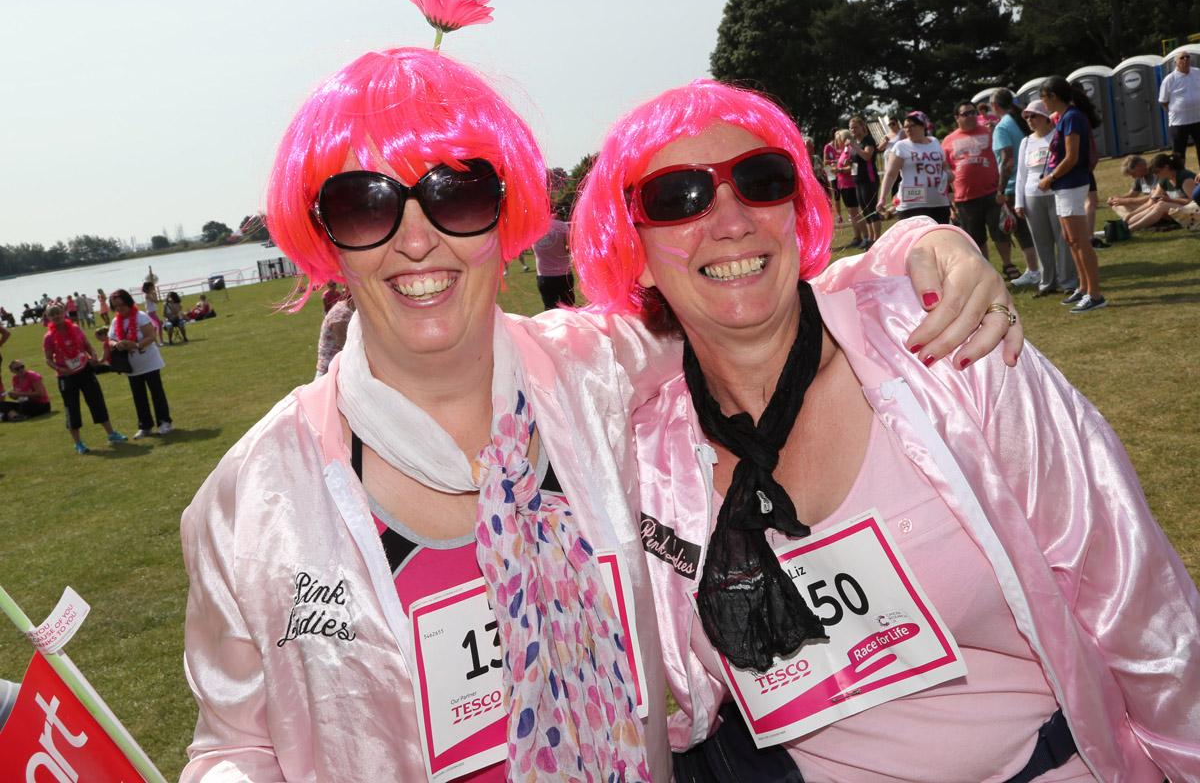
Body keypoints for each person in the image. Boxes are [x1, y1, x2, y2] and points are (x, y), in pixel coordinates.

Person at [180, 43, 1010, 783]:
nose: (417, 237)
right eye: (366, 205)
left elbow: (751, 293)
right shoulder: (251, 502)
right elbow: (236, 745)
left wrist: (918, 249)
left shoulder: (591, 368)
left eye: (456, 194)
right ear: (324, 235)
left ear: (501, 214)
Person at [572, 78, 1200, 783]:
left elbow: (1138, 602)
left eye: (761, 180)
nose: (731, 220)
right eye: (676, 196)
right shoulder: (644, 456)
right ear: (632, 243)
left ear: (796, 207)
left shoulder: (948, 349)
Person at [1038, 76, 1106, 313]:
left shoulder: (1073, 117)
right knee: (1071, 239)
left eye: (1043, 98)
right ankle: (1084, 287)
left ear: (1053, 96)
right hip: (1064, 186)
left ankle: (1095, 294)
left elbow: (1072, 157)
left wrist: (1050, 178)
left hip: (1070, 184)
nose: (1042, 103)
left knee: (1080, 240)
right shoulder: (1066, 117)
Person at [942, 101, 1021, 278]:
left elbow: (1003, 156)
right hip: (965, 198)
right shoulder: (948, 141)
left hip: (992, 192)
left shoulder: (989, 132)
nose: (971, 116)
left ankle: (1008, 264)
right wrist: (950, 199)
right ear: (957, 118)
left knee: (1000, 231)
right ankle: (986, 270)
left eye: (972, 112)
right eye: (965, 114)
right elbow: (945, 170)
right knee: (976, 237)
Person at [41, 304, 126, 453]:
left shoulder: (75, 328)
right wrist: (60, 369)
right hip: (66, 376)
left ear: (64, 313)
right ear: (48, 318)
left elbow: (87, 345)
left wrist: (93, 355)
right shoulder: (49, 337)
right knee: (72, 407)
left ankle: (111, 434)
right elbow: (48, 359)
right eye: (52, 314)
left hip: (84, 370)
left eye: (58, 313)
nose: (56, 316)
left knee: (96, 400)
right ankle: (79, 443)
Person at [1015, 99, 1078, 298]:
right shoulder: (1026, 142)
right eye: (1027, 117)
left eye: (1034, 116)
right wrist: (1019, 201)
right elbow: (1021, 174)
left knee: (1062, 239)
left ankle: (1068, 281)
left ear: (1045, 117)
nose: (1030, 120)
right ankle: (1047, 282)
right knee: (1041, 241)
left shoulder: (1057, 136)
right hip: (1032, 195)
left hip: (1056, 192)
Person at [990, 89, 1041, 287]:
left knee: (1021, 231)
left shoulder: (1002, 127)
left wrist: (1000, 189)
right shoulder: (1020, 121)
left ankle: (1033, 270)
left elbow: (1007, 160)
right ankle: (1040, 268)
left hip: (1014, 186)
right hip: (1032, 182)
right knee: (1034, 230)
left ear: (995, 106)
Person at [110, 289, 173, 437]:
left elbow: (151, 336)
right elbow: (110, 339)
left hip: (149, 363)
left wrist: (136, 345)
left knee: (157, 393)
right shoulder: (115, 321)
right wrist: (115, 345)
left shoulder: (140, 316)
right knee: (139, 397)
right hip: (132, 367)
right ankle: (145, 426)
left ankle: (164, 422)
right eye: (116, 306)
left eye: (121, 305)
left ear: (128, 302)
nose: (119, 309)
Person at [877, 110, 950, 224]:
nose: (908, 129)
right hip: (912, 206)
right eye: (905, 126)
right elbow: (890, 174)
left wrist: (949, 176)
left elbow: (945, 168)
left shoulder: (935, 142)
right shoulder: (901, 146)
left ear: (923, 126)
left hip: (939, 203)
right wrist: (882, 198)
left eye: (912, 126)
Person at [1124, 152, 1197, 232]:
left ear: (1166, 167)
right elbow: (1151, 202)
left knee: (1161, 205)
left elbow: (1194, 202)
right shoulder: (1164, 180)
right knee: (1156, 204)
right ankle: (1125, 225)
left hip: (1196, 212)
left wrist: (1170, 200)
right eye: (1154, 172)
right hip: (1182, 212)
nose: (1156, 175)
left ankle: (1130, 229)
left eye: (1157, 171)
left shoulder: (1185, 178)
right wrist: (1131, 215)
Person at [1158, 51, 1200, 170]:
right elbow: (1163, 100)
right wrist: (1177, 109)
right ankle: (1180, 178)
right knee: (1178, 154)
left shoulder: (1197, 73)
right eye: (1182, 58)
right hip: (1179, 122)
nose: (1186, 59)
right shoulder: (1170, 79)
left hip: (1198, 118)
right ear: (1176, 62)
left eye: (1188, 57)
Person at [846, 116, 881, 247]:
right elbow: (857, 159)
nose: (853, 130)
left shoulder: (868, 140)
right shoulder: (856, 142)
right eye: (851, 127)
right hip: (858, 180)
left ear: (862, 127)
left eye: (855, 127)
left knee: (872, 209)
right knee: (865, 210)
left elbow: (867, 156)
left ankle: (877, 239)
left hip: (869, 180)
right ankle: (871, 238)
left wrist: (854, 146)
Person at [532, 207, 575, 310]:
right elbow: (570, 248)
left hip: (544, 276)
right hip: (564, 275)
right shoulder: (562, 226)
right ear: (552, 211)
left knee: (550, 310)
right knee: (569, 309)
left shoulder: (533, 227)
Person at [834, 130, 866, 247]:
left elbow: (853, 167)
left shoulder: (850, 149)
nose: (837, 141)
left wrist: (840, 170)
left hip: (850, 185)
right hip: (844, 185)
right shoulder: (844, 150)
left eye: (838, 138)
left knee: (855, 213)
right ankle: (857, 236)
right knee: (852, 214)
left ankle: (865, 237)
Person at [314, 294, 355, 378]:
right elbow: (347, 346)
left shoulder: (349, 310)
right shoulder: (341, 315)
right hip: (330, 373)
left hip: (339, 370)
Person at [1107, 155, 1157, 221]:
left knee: (1124, 204)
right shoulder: (1139, 177)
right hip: (1146, 206)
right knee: (1115, 205)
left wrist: (1125, 201)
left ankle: (1133, 219)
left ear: (1140, 166)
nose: (1133, 177)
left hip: (1154, 204)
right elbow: (1132, 194)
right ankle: (1134, 219)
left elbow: (1153, 197)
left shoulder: (1156, 174)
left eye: (1133, 174)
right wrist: (1116, 199)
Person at [822, 129, 845, 226]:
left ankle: (851, 213)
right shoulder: (828, 147)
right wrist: (834, 161)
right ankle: (839, 215)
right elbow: (825, 161)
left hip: (843, 173)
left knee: (845, 193)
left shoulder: (844, 146)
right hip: (832, 172)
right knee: (836, 195)